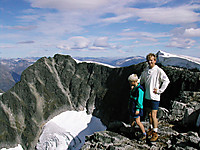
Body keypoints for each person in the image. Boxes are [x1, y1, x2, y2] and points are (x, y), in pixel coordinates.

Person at [140, 53, 170, 142]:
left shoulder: (158, 70)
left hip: (155, 97)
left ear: (155, 60)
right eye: (149, 60)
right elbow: (141, 80)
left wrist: (160, 90)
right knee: (149, 114)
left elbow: (166, 80)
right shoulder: (146, 71)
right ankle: (151, 129)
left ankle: (155, 133)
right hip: (148, 96)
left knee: (153, 115)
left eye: (152, 60)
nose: (150, 62)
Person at [128, 74, 146, 140]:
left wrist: (138, 109)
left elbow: (140, 100)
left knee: (138, 121)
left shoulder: (139, 89)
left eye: (130, 81)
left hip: (136, 108)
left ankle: (144, 133)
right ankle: (131, 132)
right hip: (132, 107)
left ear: (135, 81)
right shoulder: (134, 88)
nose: (129, 83)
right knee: (131, 120)